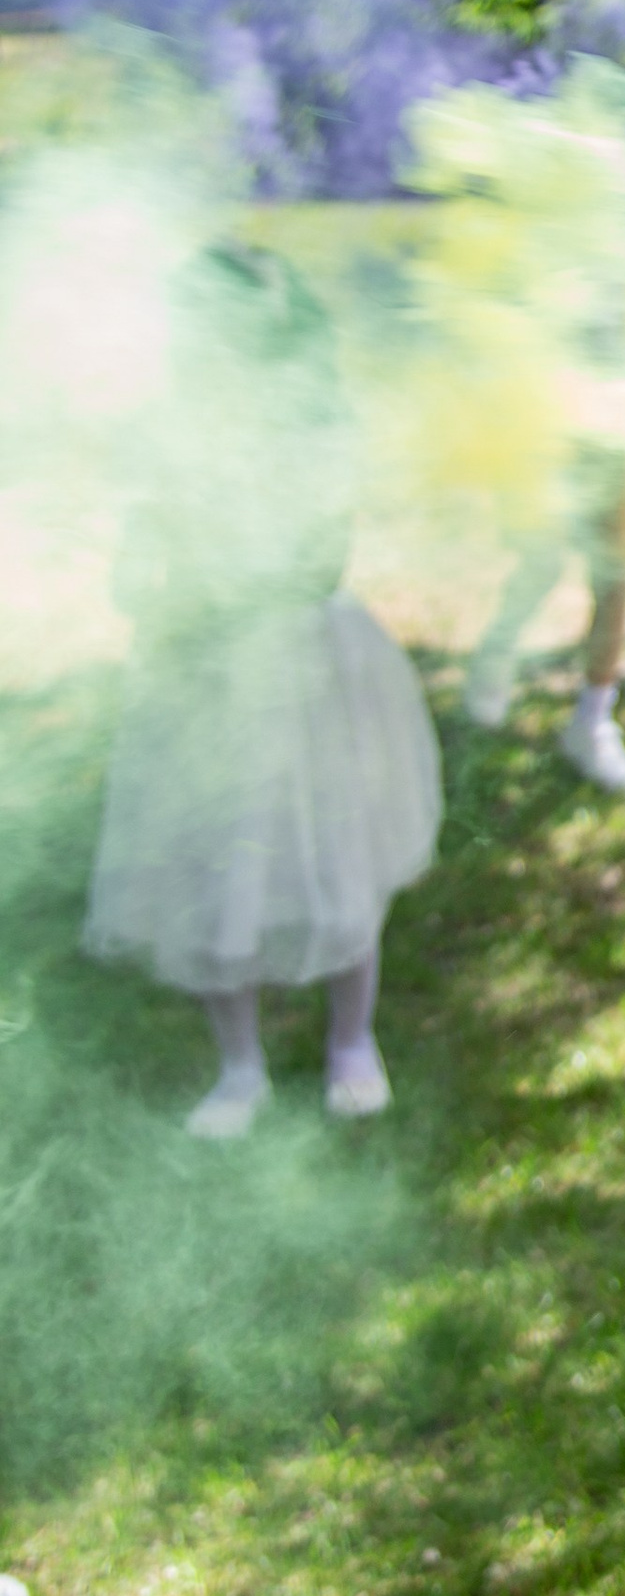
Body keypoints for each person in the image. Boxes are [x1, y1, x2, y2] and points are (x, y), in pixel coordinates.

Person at [84, 247, 442, 1135]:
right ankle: (238, 1067)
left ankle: (351, 1041)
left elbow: (319, 559)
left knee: (333, 850)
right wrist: (147, 592)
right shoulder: (167, 428)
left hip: (302, 663)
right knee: (211, 863)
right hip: (196, 677)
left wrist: (219, 604)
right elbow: (140, 553)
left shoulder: (314, 421)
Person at [464, 446, 625, 799]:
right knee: (541, 560)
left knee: (616, 567)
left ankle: (592, 721)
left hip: (610, 412)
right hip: (541, 412)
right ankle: (496, 654)